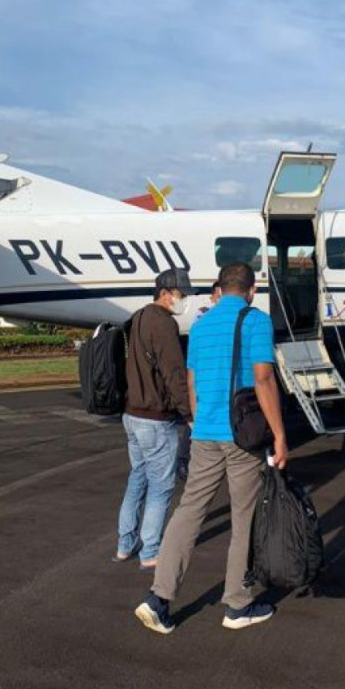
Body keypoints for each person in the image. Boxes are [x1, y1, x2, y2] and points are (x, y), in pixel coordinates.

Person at [135, 263, 289, 635]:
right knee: (244, 517)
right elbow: (263, 378)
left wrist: (199, 421)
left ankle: (159, 599)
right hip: (242, 438)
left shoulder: (201, 326)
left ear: (221, 288)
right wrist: (281, 435)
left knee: (189, 511)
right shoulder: (256, 321)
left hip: (204, 432)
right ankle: (237, 605)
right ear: (251, 290)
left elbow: (192, 381)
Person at [115, 268, 195, 570]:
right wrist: (188, 414)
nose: (183, 300)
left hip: (131, 414)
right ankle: (150, 551)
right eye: (180, 294)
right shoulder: (164, 324)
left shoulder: (137, 317)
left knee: (137, 478)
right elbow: (174, 373)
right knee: (161, 486)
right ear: (165, 294)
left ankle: (125, 544)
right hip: (155, 417)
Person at [178, 283, 223, 482]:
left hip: (215, 374)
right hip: (207, 375)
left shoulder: (212, 316)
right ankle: (183, 459)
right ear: (214, 296)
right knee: (199, 418)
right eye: (220, 296)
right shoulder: (203, 315)